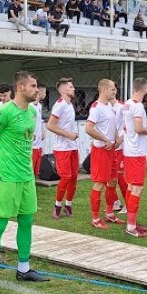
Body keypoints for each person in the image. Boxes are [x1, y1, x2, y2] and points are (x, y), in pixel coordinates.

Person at [0, 71, 48, 294]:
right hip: (7, 176)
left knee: (27, 220)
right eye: (33, 85)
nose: (36, 89)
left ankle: (23, 269)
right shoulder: (3, 111)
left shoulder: (31, 111)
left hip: (26, 176)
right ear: (20, 87)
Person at [86, 79, 120, 229]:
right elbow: (89, 128)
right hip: (101, 151)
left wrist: (117, 137)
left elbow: (111, 126)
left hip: (111, 149)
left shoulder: (109, 107)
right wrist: (105, 139)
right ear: (104, 90)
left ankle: (110, 213)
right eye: (112, 89)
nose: (115, 91)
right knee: (99, 183)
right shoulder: (96, 108)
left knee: (113, 181)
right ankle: (95, 218)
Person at [123, 77, 147, 238]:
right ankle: (131, 226)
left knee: (130, 186)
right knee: (137, 187)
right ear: (145, 89)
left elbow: (127, 127)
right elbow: (137, 128)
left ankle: (132, 221)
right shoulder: (138, 106)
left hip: (129, 150)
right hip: (136, 152)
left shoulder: (127, 103)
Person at [47, 78, 79, 219]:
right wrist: (69, 134)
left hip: (72, 147)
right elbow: (50, 125)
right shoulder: (59, 105)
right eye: (71, 87)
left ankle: (68, 205)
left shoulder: (69, 104)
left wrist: (72, 135)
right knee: (66, 177)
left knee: (73, 177)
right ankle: (57, 206)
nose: (74, 89)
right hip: (61, 148)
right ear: (64, 89)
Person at [30, 83, 47, 179]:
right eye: (44, 92)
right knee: (30, 168)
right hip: (31, 143)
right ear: (39, 92)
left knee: (37, 168)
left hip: (39, 142)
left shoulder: (39, 106)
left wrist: (42, 130)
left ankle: (33, 188)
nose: (45, 94)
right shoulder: (29, 106)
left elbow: (39, 120)